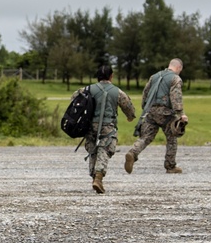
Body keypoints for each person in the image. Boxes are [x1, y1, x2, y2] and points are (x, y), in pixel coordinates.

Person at [76, 64, 136, 193]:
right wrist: (130, 117)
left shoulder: (87, 89)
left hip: (90, 126)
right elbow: (129, 107)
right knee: (105, 149)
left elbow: (74, 100)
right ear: (111, 76)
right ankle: (98, 177)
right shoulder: (117, 91)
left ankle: (94, 178)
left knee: (93, 150)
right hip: (107, 126)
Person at [126, 58, 190, 174]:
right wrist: (181, 114)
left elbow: (145, 93)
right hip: (166, 113)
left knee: (145, 137)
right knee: (172, 139)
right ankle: (170, 166)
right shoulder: (176, 79)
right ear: (179, 68)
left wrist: (145, 108)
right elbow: (176, 97)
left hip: (151, 111)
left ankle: (133, 152)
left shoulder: (154, 76)